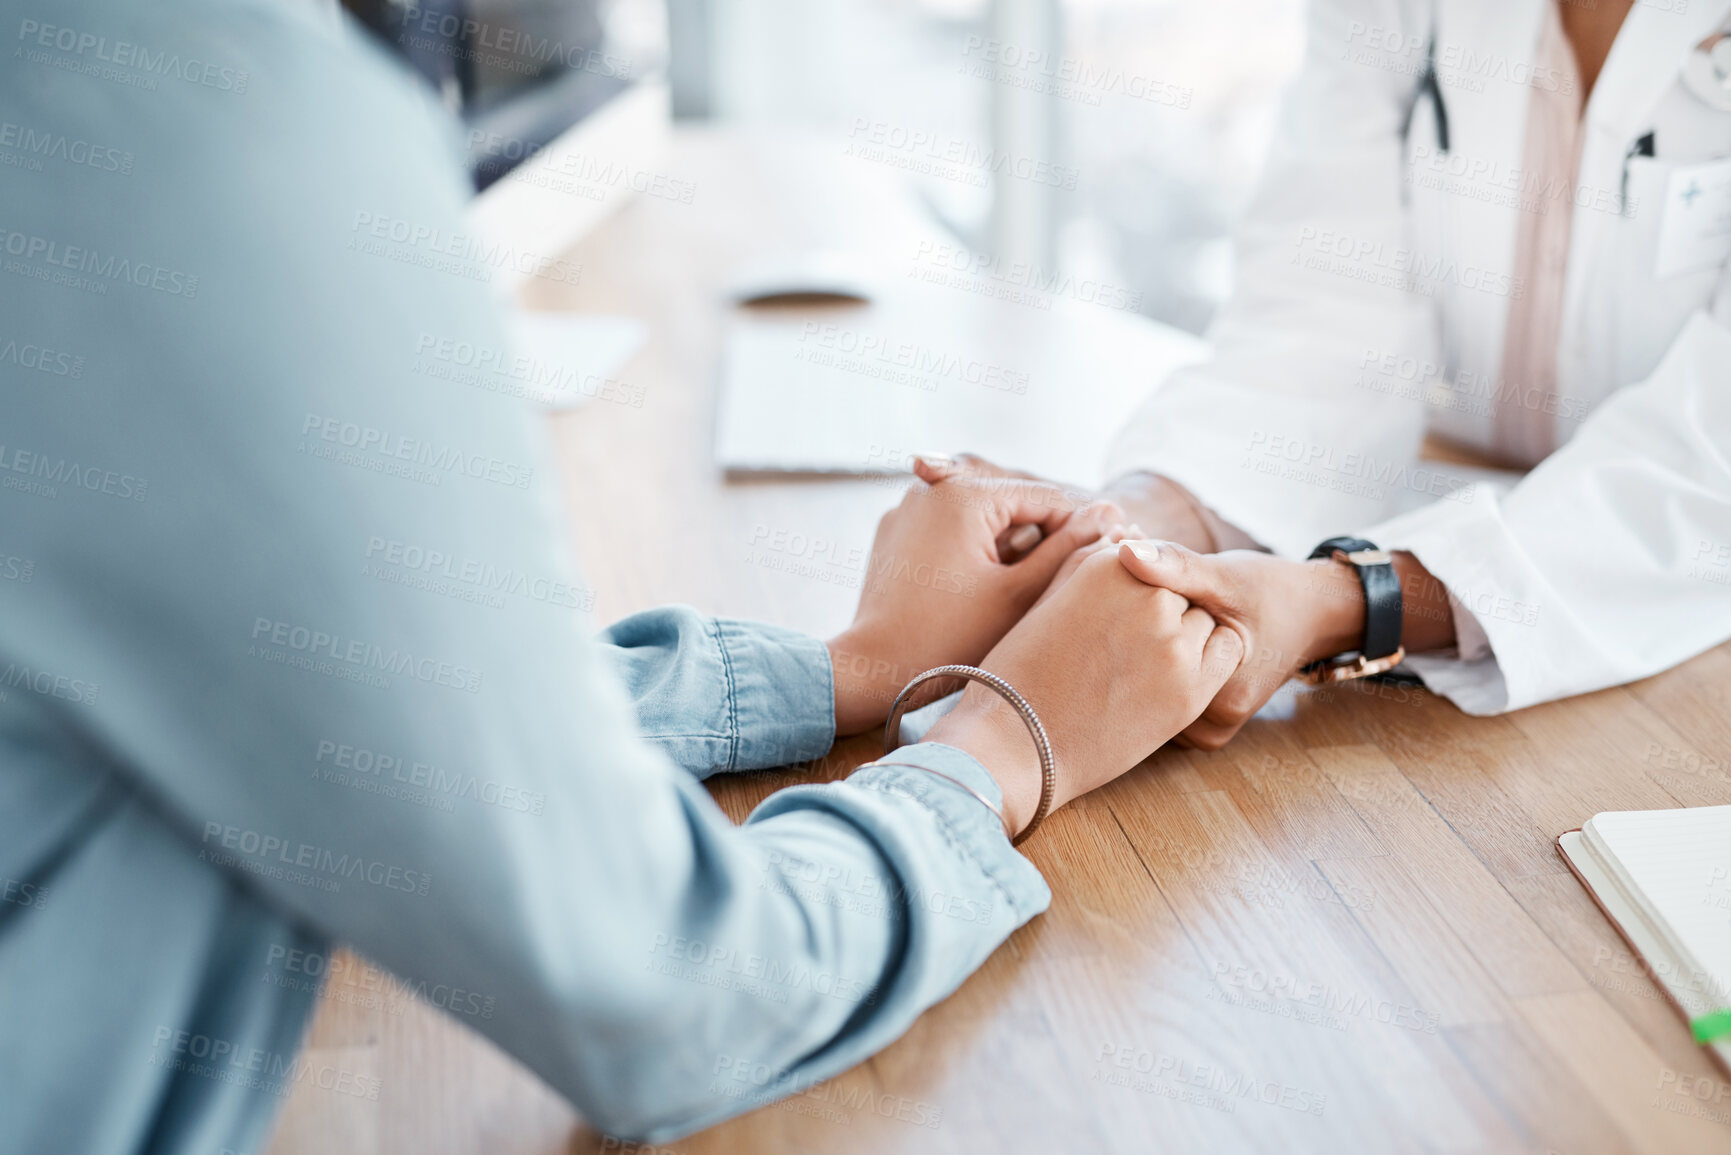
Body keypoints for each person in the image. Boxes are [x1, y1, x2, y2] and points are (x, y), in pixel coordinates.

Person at [0, 0, 1245, 1150]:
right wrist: (1008, 745)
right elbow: (676, 990)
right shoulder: (216, 141)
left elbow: (348, 711)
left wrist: (844, 673)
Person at [1074, 0, 1731, 746]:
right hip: (1441, 485)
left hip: (1673, 644)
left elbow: (1709, 471)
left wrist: (1343, 600)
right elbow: (1320, 308)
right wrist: (1138, 519)